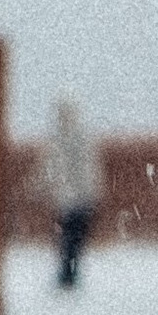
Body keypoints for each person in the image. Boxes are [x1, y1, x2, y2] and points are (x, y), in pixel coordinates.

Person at [44, 93, 101, 290]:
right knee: (72, 240)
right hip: (75, 199)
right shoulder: (71, 137)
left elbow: (77, 168)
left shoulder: (71, 138)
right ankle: (68, 275)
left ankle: (68, 276)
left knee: (70, 239)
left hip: (74, 199)